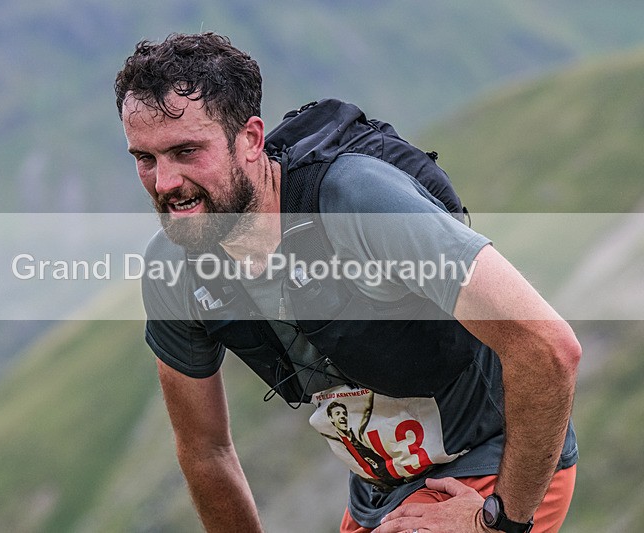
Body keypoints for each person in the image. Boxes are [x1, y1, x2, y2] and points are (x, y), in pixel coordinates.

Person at [115, 32, 580, 533]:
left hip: (490, 473)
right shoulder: (174, 268)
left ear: (250, 140)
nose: (164, 183)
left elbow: (548, 347)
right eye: (145, 158)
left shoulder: (355, 201)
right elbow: (206, 452)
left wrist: (498, 521)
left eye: (186, 151)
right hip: (377, 496)